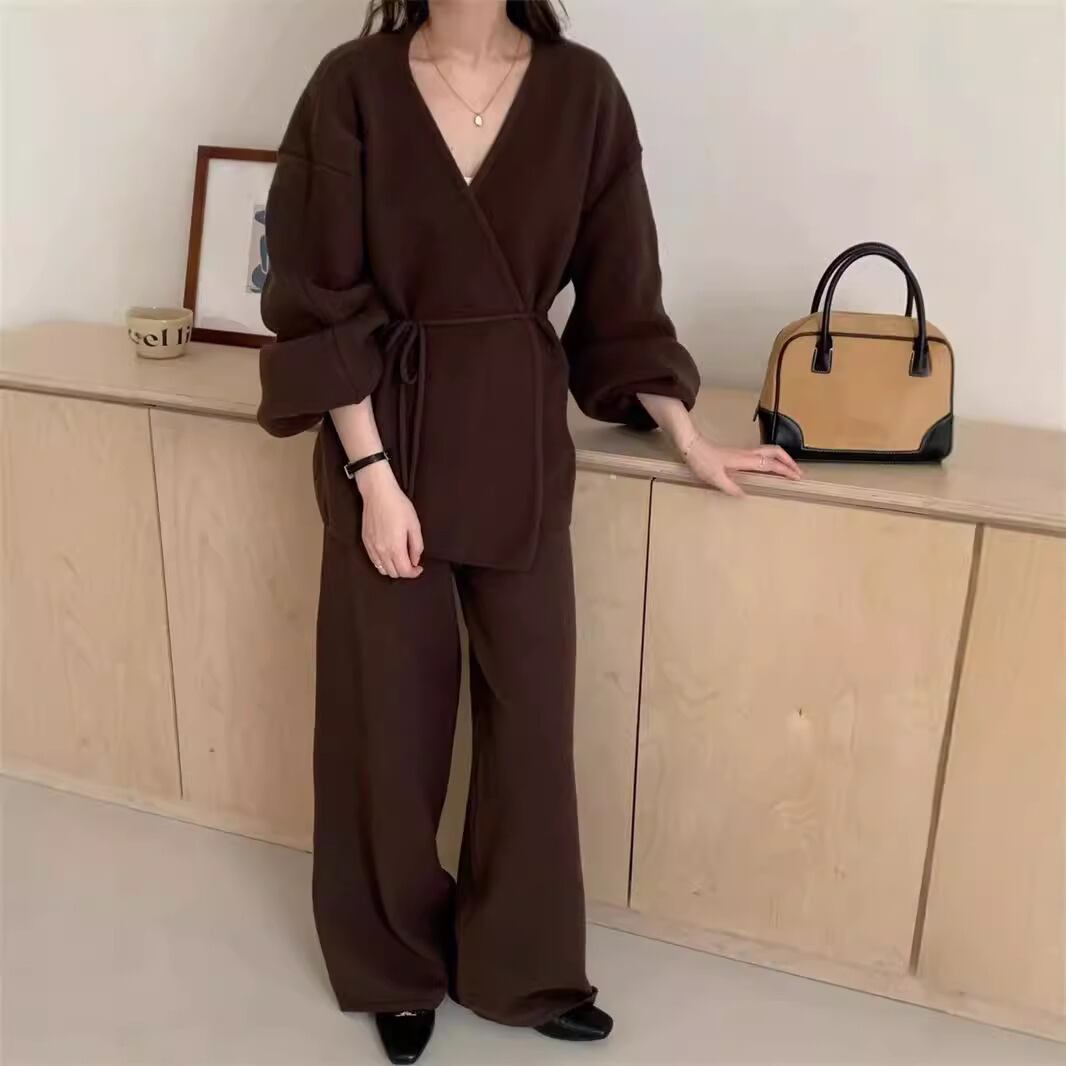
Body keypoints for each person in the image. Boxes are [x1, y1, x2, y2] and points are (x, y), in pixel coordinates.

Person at [257, 1, 801, 1061]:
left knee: (533, 718)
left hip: (517, 442)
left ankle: (522, 964)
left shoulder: (582, 91)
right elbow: (320, 298)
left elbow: (622, 291)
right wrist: (372, 477)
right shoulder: (351, 86)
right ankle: (394, 964)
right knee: (385, 722)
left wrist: (689, 436)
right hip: (386, 436)